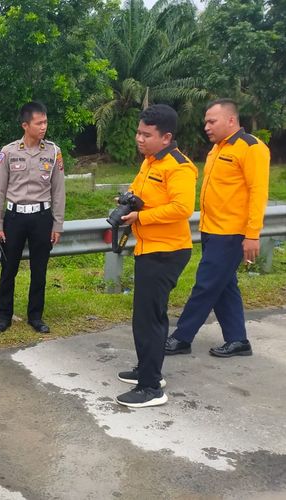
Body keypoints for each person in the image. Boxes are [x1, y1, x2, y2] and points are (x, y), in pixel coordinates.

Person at [165, 99, 270, 358]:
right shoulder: (217, 149)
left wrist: (252, 234)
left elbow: (258, 193)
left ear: (231, 120)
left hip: (232, 232)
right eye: (205, 122)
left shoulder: (251, 147)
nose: (206, 127)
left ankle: (181, 337)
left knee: (206, 285)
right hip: (212, 229)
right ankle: (238, 340)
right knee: (224, 286)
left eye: (212, 121)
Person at [115, 104, 197, 408]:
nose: (139, 138)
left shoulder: (179, 167)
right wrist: (128, 201)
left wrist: (140, 217)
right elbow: (141, 193)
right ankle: (147, 371)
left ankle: (151, 389)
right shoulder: (150, 162)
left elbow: (182, 209)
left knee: (151, 319)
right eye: (138, 132)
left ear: (166, 137)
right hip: (149, 248)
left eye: (146, 134)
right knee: (143, 316)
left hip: (167, 251)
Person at [0, 101, 65, 334]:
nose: (44, 127)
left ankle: (36, 316)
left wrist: (58, 224)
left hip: (42, 218)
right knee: (8, 269)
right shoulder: (8, 152)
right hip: (14, 218)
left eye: (45, 122)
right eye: (39, 123)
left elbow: (59, 190)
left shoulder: (53, 151)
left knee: (39, 270)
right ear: (25, 125)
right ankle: (4, 316)